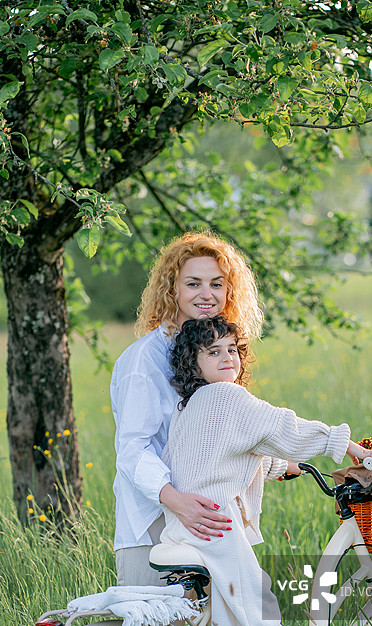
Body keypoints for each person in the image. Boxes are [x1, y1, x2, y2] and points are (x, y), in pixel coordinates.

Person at [159, 316, 372, 626]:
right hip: (216, 526)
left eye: (232, 349)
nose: (227, 358)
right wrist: (348, 447)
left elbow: (223, 458)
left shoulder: (191, 406)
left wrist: (280, 467)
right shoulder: (227, 397)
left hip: (186, 528)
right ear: (193, 364)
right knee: (258, 607)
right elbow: (283, 426)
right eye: (213, 352)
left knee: (235, 618)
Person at [111, 231, 264, 589]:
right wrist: (177, 502)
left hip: (207, 514)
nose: (206, 294)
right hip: (155, 518)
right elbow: (132, 451)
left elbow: (221, 433)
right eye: (193, 283)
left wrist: (278, 462)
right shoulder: (145, 359)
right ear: (173, 289)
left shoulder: (217, 351)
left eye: (216, 283)